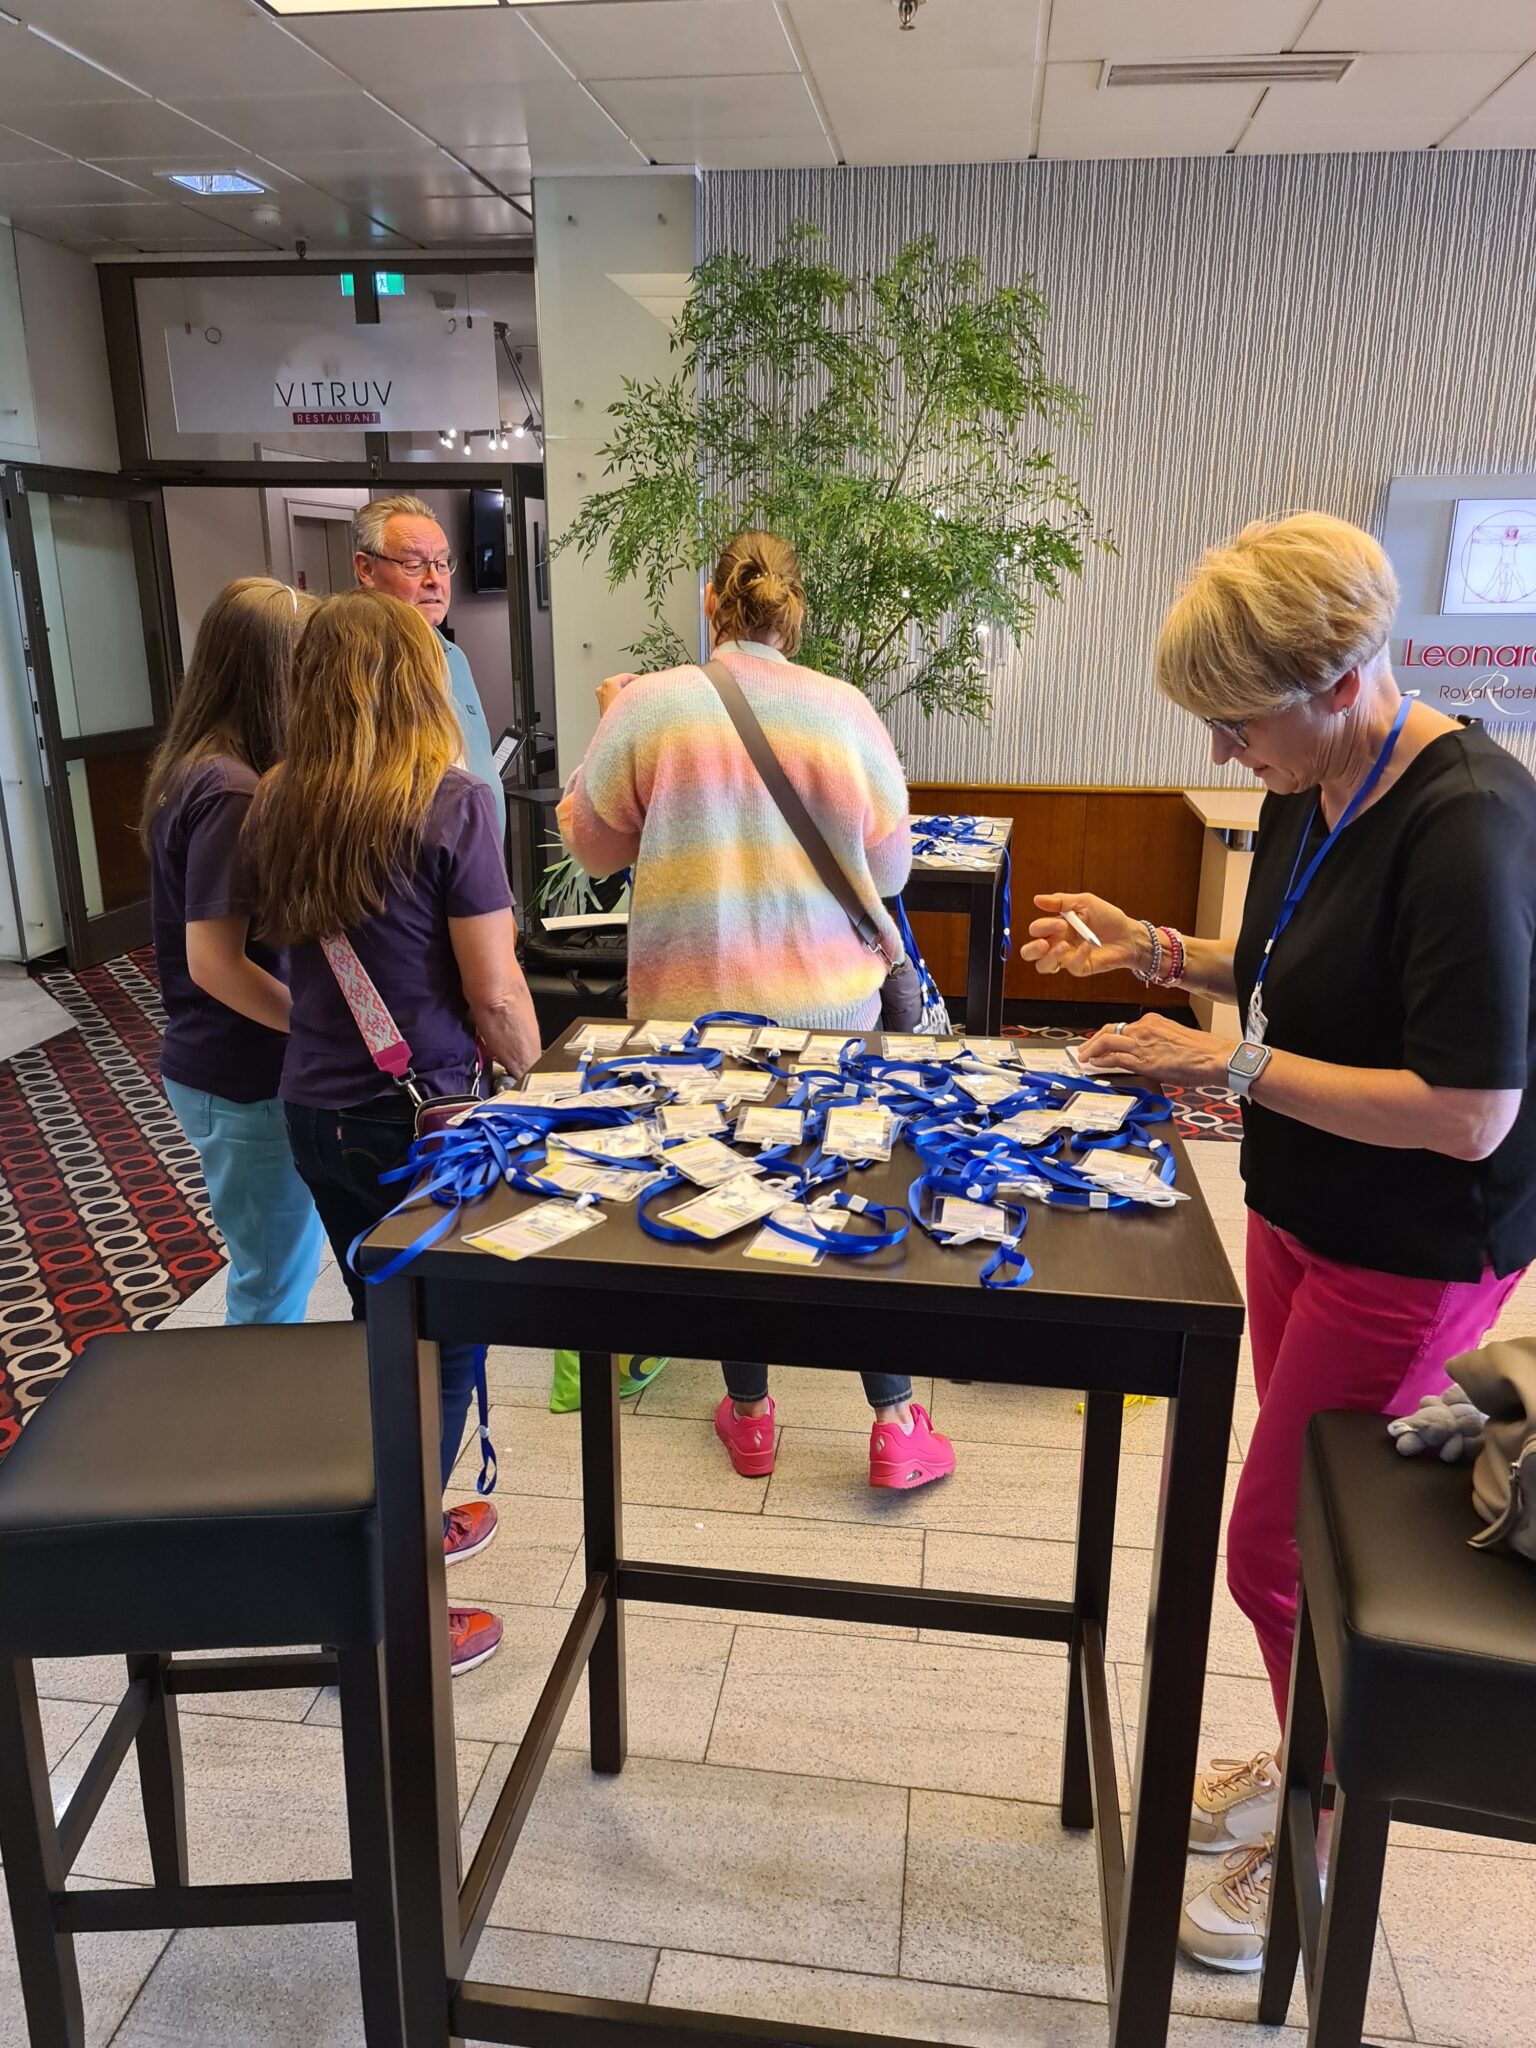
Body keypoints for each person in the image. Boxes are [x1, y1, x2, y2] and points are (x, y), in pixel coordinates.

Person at [1022, 512, 1536, 1971]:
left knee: (1275, 1550)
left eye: (1239, 724)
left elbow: (1470, 1112)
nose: (1225, 752)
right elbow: (1289, 969)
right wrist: (1148, 947)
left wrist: (1221, 1062)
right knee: (1300, 1520)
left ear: (1341, 678)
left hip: (1416, 1245)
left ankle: (1321, 1816)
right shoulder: (1323, 780)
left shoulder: (1471, 824)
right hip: (1304, 1209)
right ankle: (1306, 1748)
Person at [559, 529, 957, 1492]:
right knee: (846, 1192)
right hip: (830, 1015)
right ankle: (895, 1423)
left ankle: (749, 1417)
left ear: (712, 604)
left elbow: (592, 850)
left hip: (693, 1023)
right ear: (796, 609)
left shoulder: (649, 704)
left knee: (726, 1201)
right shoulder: (844, 709)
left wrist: (610, 721)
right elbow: (891, 869)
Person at [247, 590, 543, 1675]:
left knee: (382, 1324)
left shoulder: (274, 799)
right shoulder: (450, 805)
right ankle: (389, 1606)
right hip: (423, 1122)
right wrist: (539, 1081)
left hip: (315, 1110)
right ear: (420, 680)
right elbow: (495, 993)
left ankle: (397, 1527)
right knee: (443, 1344)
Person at [142, 577, 326, 1325]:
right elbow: (214, 962)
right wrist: (321, 1032)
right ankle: (256, 1402)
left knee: (278, 1268)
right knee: (270, 1286)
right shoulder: (232, 790)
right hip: (242, 1074)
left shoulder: (198, 766)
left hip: (223, 1066)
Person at [353, 492, 507, 843]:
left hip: (478, 864)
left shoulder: (455, 657)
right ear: (366, 569)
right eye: (413, 564)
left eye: (441, 563)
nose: (434, 579)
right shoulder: (359, 667)